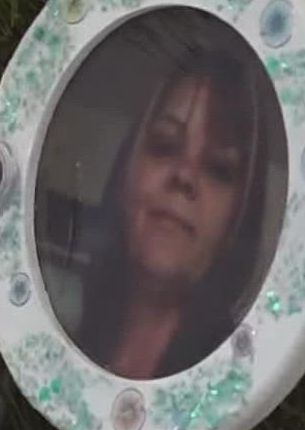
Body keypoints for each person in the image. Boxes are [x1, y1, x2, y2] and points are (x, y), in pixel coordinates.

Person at [69, 24, 281, 381]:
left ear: (238, 218)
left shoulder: (245, 382)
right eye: (165, 144)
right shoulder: (66, 349)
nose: (184, 176)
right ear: (126, 171)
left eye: (218, 168)